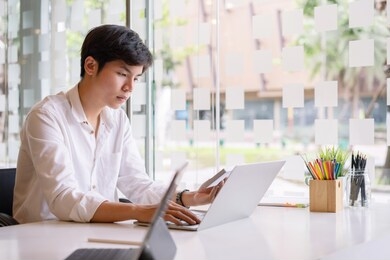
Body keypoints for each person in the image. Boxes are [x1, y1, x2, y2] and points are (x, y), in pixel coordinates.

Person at [13, 24, 223, 225]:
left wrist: (191, 198)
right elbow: (63, 197)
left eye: (136, 78)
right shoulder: (46, 116)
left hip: (94, 232)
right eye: (122, 74)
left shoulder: (118, 120)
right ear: (90, 66)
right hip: (43, 236)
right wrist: (138, 212)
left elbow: (137, 184)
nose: (129, 87)